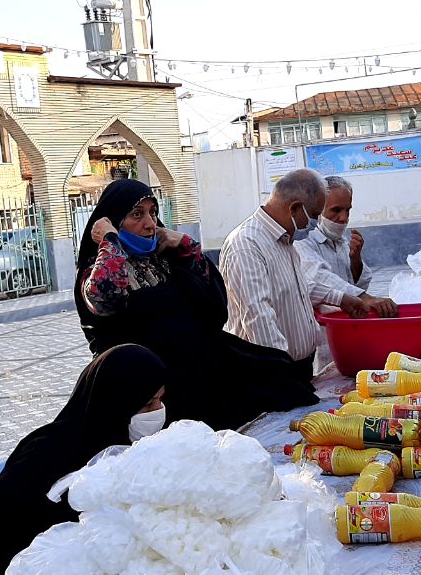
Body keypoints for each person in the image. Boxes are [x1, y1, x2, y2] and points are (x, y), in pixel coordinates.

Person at [73, 179, 316, 429]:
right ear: (112, 220)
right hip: (150, 398)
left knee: (279, 377)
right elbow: (105, 299)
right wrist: (110, 241)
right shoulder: (98, 268)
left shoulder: (165, 259)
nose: (150, 224)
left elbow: (214, 307)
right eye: (137, 214)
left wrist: (187, 247)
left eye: (153, 213)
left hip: (199, 381)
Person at [0, 344, 169, 574]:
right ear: (115, 402)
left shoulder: (120, 447)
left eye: (160, 400)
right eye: (147, 404)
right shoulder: (51, 450)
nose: (158, 410)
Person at [220, 169, 347, 380]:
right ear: (295, 208)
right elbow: (259, 318)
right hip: (271, 373)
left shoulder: (286, 241)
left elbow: (297, 289)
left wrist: (343, 299)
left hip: (296, 368)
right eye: (314, 217)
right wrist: (284, 375)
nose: (313, 225)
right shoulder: (246, 245)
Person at [294, 175, 398, 318]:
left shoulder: (341, 242)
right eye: (336, 210)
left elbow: (356, 286)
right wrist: (365, 297)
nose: (343, 218)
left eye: (347, 210)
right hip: (319, 328)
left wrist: (356, 261)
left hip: (345, 324)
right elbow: (318, 276)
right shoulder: (303, 240)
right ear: (318, 209)